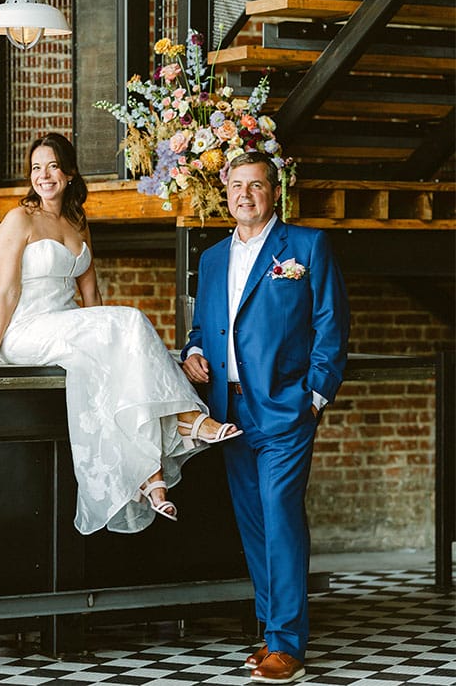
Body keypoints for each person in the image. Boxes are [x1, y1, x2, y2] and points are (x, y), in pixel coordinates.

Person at [0, 132, 241, 535]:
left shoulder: (77, 221)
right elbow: (7, 289)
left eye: (53, 166)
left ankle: (148, 475)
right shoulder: (19, 218)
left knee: (119, 344)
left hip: (67, 324)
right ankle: (187, 417)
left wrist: (113, 341)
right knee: (128, 320)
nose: (44, 175)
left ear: (70, 173)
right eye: (36, 168)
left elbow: (92, 295)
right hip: (24, 329)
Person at [181, 152, 349, 684]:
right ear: (225, 191)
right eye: (236, 186)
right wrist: (191, 352)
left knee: (280, 516)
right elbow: (202, 328)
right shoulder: (210, 259)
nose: (244, 195)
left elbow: (331, 326)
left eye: (256, 186)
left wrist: (313, 397)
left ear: (274, 192)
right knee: (254, 524)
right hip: (227, 409)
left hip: (285, 407)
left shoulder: (304, 247)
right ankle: (271, 630)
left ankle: (288, 644)